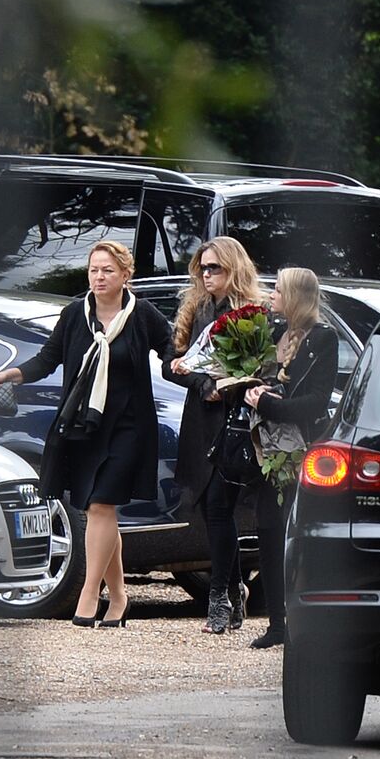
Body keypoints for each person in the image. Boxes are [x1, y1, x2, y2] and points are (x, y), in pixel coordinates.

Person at [0, 240, 172, 628]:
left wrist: (196, 373)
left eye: (108, 270)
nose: (99, 277)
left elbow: (171, 354)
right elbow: (48, 357)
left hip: (129, 425)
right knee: (101, 512)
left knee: (102, 505)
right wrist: (13, 374)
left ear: (126, 275)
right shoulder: (75, 314)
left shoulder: (143, 315)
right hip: (85, 424)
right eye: (94, 270)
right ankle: (119, 598)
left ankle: (89, 594)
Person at [161, 236, 266, 634]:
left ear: (233, 269)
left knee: (221, 508)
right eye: (202, 268)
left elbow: (261, 366)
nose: (206, 275)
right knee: (210, 512)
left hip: (234, 421)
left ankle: (218, 597)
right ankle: (235, 587)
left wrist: (228, 383)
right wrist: (201, 382)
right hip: (200, 419)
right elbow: (171, 363)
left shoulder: (252, 312)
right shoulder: (197, 307)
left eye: (214, 268)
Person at [242, 268, 338, 649]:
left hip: (304, 451)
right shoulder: (273, 333)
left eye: (278, 290)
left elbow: (316, 401)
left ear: (295, 296)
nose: (272, 296)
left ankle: (307, 622)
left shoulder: (323, 338)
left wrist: (267, 404)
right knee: (268, 532)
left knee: (299, 537)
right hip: (269, 451)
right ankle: (276, 623)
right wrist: (252, 391)